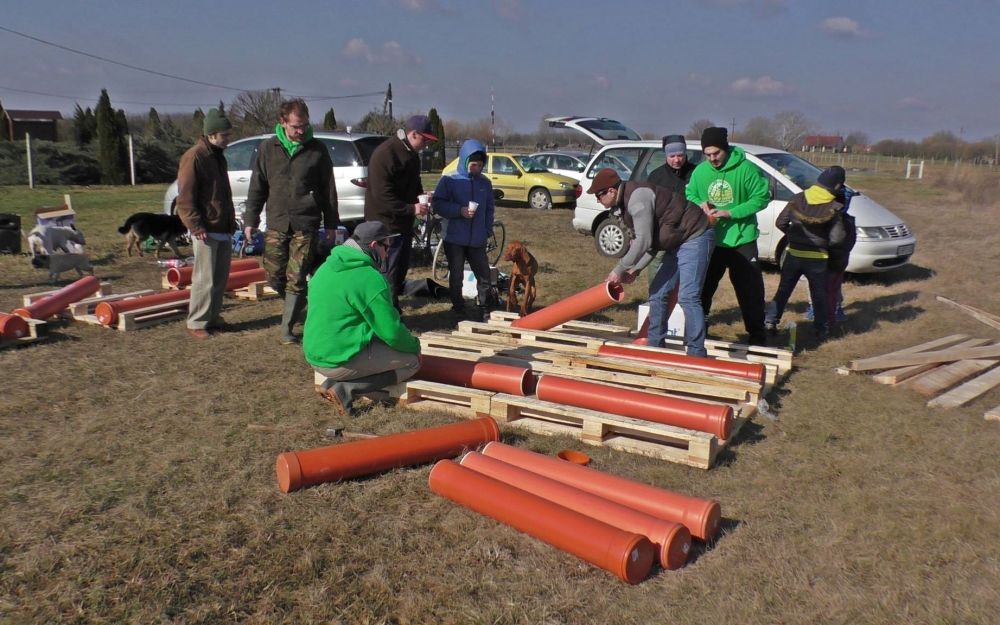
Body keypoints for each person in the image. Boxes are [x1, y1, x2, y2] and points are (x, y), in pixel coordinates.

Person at [590, 168, 715, 357]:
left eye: (598, 196)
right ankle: (655, 347)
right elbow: (653, 242)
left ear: (611, 191)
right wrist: (636, 269)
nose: (597, 200)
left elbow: (644, 241)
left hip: (695, 235)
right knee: (657, 293)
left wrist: (619, 269)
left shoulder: (637, 199)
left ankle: (697, 353)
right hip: (675, 240)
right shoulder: (623, 205)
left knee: (688, 297)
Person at [243, 99, 339, 344]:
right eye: (296, 126)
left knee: (296, 277)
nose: (301, 131)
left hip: (306, 222)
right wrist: (250, 219)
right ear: (283, 122)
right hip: (277, 221)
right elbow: (257, 187)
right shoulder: (268, 149)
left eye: (304, 125)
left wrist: (331, 223)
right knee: (274, 275)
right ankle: (300, 303)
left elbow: (329, 189)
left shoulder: (317, 150)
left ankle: (287, 328)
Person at [303, 221, 421, 416]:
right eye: (386, 247)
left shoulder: (326, 267)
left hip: (314, 354)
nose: (387, 253)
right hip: (338, 359)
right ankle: (346, 389)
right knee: (412, 361)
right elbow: (391, 332)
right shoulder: (370, 278)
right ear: (374, 245)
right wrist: (414, 345)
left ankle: (332, 383)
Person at [686, 126, 770, 346]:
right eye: (708, 154)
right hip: (711, 239)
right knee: (703, 289)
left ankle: (757, 337)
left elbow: (761, 198)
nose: (712, 158)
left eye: (717, 153)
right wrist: (700, 203)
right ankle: (698, 333)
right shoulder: (700, 172)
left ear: (726, 149)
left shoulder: (746, 169)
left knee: (750, 291)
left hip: (742, 239)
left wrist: (731, 213)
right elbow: (690, 193)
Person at [764, 166, 848, 342]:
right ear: (837, 186)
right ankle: (821, 330)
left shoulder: (797, 198)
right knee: (819, 295)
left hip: (793, 254)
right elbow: (837, 239)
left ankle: (769, 322)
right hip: (818, 258)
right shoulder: (835, 207)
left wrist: (793, 236)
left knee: (783, 291)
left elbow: (781, 222)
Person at [365, 114, 437, 310]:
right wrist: (411, 208)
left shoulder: (412, 155)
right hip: (385, 225)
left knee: (400, 270)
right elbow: (382, 197)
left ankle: (391, 307)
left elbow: (414, 183)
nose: (426, 145)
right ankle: (388, 313)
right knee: (388, 271)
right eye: (425, 140)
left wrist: (421, 197)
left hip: (403, 224)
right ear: (413, 134)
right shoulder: (385, 154)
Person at [175, 108, 236, 340]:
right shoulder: (195, 157)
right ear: (211, 134)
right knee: (204, 278)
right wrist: (196, 225)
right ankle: (197, 321)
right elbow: (185, 197)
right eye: (224, 135)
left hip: (221, 226)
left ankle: (213, 317)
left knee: (219, 278)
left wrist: (229, 222)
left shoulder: (217, 156)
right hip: (205, 228)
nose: (228, 139)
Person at [432, 139, 496, 320]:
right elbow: (438, 204)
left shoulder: (485, 183)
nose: (477, 169)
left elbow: (489, 208)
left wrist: (487, 230)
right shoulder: (449, 180)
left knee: (483, 274)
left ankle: (484, 307)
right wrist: (459, 211)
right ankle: (458, 307)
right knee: (456, 274)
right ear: (465, 161)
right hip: (454, 238)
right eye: (473, 165)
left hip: (477, 238)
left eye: (480, 166)